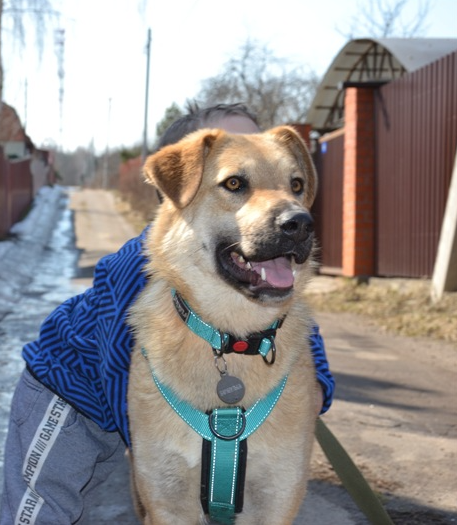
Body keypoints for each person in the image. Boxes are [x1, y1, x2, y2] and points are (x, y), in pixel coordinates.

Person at [0, 103, 334, 524]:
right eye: (236, 181)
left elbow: (302, 332)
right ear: (178, 189)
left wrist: (315, 381)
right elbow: (127, 379)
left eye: (292, 183)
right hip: (70, 393)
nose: (288, 208)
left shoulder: (275, 283)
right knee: (39, 514)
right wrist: (159, 462)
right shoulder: (133, 273)